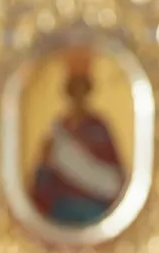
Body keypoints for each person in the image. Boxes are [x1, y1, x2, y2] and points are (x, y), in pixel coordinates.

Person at [29, 49, 127, 226]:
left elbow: (113, 179)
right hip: (60, 209)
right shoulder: (58, 128)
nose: (78, 97)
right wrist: (45, 163)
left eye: (82, 90)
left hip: (92, 208)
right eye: (74, 90)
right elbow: (43, 179)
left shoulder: (98, 127)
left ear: (87, 92)